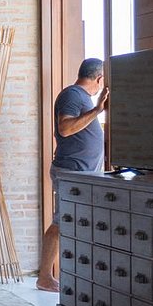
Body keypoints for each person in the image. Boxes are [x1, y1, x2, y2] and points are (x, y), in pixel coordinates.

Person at [37, 58, 109, 291]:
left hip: (81, 173)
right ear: (99, 78)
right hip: (72, 172)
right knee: (62, 223)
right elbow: (65, 128)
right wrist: (97, 111)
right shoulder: (72, 95)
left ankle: (73, 276)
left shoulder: (80, 97)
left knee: (71, 223)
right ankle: (45, 277)